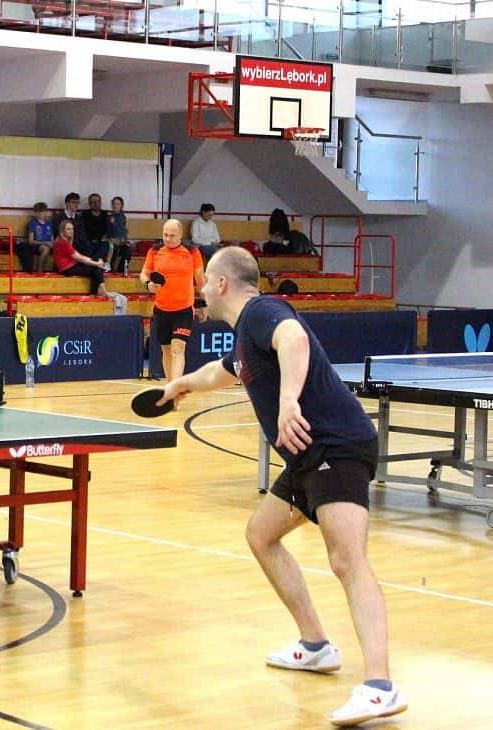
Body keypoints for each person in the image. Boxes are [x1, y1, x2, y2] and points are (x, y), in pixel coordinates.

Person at [157, 246, 405, 728]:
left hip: (335, 445)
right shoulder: (245, 336)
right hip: (306, 455)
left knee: (347, 560)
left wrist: (289, 400)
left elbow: (294, 338)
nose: (201, 288)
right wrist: (180, 385)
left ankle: (380, 687)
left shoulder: (262, 312)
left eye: (205, 280)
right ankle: (315, 645)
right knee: (261, 534)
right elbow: (221, 372)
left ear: (222, 283)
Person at [140, 219, 205, 384]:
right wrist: (148, 284)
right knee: (167, 350)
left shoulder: (192, 252)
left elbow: (200, 280)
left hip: (183, 310)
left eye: (172, 235)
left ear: (180, 235)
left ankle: (176, 388)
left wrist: (205, 304)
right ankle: (170, 386)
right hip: (161, 310)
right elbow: (144, 274)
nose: (168, 239)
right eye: (165, 235)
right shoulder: (155, 251)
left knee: (178, 348)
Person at [53, 220, 126, 312]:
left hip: (70, 266)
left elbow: (80, 256)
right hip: (68, 268)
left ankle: (98, 291)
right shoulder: (63, 242)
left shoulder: (63, 241)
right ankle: (100, 291)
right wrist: (96, 263)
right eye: (68, 229)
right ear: (62, 231)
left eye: (72, 229)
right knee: (97, 268)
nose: (71, 231)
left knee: (96, 267)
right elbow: (79, 258)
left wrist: (93, 261)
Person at [80, 193, 112, 270]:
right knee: (87, 246)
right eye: (93, 202)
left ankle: (92, 264)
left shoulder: (104, 214)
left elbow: (108, 229)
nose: (96, 203)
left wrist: (104, 237)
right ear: (89, 204)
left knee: (106, 245)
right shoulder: (85, 214)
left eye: (98, 201)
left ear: (100, 202)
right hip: (89, 240)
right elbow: (82, 230)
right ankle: (96, 265)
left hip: (101, 241)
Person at [21, 202, 54, 273]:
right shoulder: (33, 223)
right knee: (46, 249)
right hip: (37, 246)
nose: (43, 213)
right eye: (40, 212)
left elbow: (52, 239)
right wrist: (45, 243)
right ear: (35, 213)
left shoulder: (49, 223)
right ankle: (40, 271)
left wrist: (53, 244)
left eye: (44, 211)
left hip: (49, 244)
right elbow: (30, 241)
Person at [107, 196, 133, 275]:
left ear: (121, 206)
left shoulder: (122, 217)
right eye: (114, 204)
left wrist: (123, 240)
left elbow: (121, 231)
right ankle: (110, 269)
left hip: (120, 240)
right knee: (114, 248)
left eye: (118, 204)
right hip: (111, 241)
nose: (115, 206)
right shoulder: (108, 217)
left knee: (128, 250)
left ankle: (120, 270)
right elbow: (108, 232)